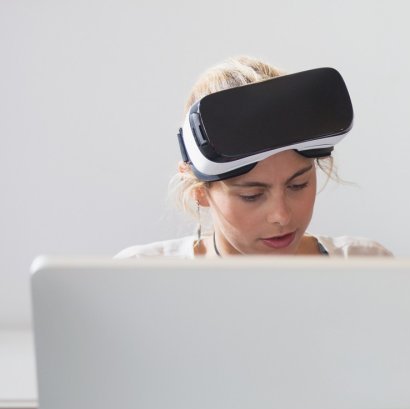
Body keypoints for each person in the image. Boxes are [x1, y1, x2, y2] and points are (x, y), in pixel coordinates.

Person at [116, 56, 392, 259]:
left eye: (298, 185)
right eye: (252, 195)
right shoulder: (140, 275)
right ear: (199, 192)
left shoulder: (366, 265)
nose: (281, 216)